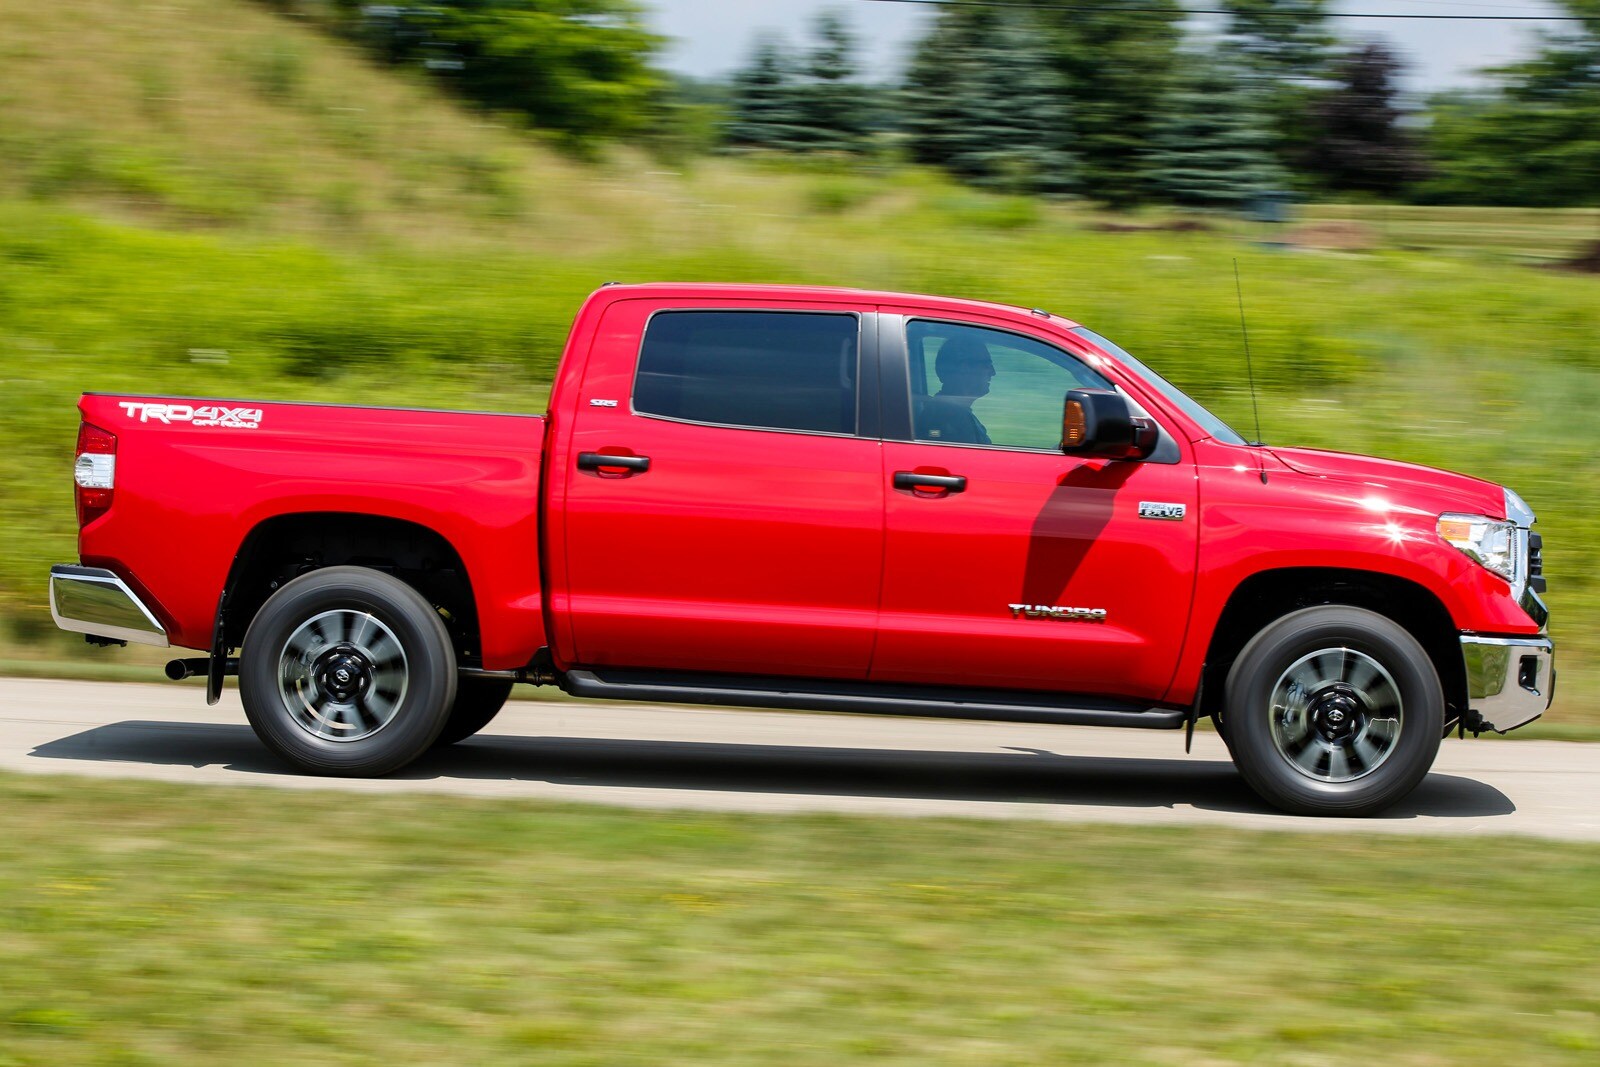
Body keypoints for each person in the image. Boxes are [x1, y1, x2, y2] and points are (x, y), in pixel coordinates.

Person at [916, 334, 994, 445]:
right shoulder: (950, 419)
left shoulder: (952, 412)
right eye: (987, 365)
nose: (993, 372)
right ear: (965, 368)